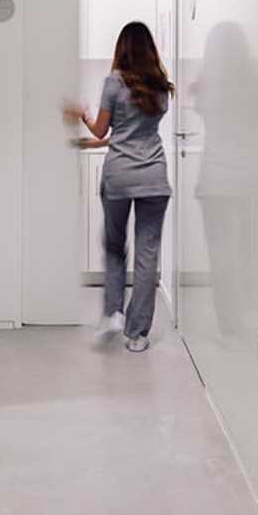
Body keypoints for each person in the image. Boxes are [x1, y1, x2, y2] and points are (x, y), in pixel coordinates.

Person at [64, 20, 174, 351]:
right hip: (154, 177)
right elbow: (139, 132)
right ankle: (137, 334)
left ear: (121, 48)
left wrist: (82, 114)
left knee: (114, 247)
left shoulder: (113, 83)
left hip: (119, 178)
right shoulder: (161, 86)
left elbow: (102, 130)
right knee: (147, 254)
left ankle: (113, 312)